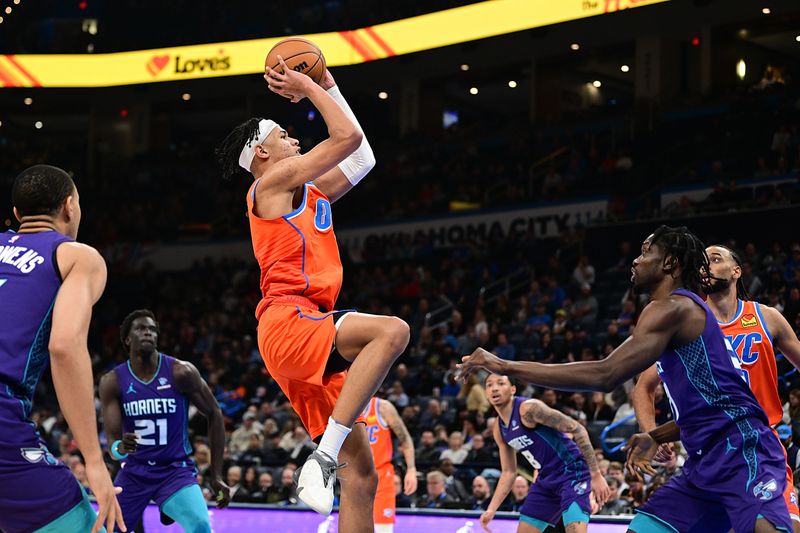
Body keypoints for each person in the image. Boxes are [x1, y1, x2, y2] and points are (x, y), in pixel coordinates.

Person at [458, 225, 793, 533]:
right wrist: (656, 434)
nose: (636, 259)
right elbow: (712, 405)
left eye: (646, 251)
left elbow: (607, 374)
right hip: (703, 462)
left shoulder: (674, 309)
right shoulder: (681, 314)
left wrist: (506, 366)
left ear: (669, 263)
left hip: (744, 451)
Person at [215, 56, 410, 526]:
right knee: (392, 332)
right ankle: (322, 456)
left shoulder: (309, 189)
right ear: (261, 153)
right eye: (283, 135)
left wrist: (328, 84)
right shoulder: (270, 183)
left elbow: (362, 158)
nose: (294, 138)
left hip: (304, 330)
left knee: (363, 476)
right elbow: (346, 137)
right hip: (289, 321)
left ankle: (329, 458)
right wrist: (310, 84)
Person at [631, 243, 800, 529]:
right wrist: (651, 432)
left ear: (737, 271)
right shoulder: (688, 321)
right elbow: (643, 387)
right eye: (701, 262)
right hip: (705, 450)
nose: (705, 265)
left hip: (757, 447)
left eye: (715, 259)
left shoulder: (764, 317)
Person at [0, 165, 124, 533]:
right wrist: (94, 463)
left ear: (18, 214)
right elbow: (65, 347)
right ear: (70, 207)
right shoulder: (75, 256)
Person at [99, 309, 231, 532]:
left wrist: (216, 473)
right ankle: (166, 507)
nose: (148, 333)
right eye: (141, 329)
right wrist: (121, 446)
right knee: (106, 530)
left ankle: (168, 504)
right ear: (128, 338)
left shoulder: (181, 372)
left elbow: (215, 413)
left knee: (200, 525)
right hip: (134, 471)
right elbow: (113, 446)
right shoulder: (112, 382)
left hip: (174, 469)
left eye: (152, 329)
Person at [478, 374, 610, 533]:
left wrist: (595, 475)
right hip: (545, 479)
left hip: (572, 473)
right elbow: (509, 472)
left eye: (500, 383)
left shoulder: (529, 409)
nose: (495, 388)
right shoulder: (499, 429)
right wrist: (491, 509)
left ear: (513, 389)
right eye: (489, 385)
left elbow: (577, 429)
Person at [363, 396, 418, 533]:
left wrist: (411, 469)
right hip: (354, 477)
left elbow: (405, 439)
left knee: (383, 529)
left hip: (381, 474)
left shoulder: (382, 407)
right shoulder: (343, 407)